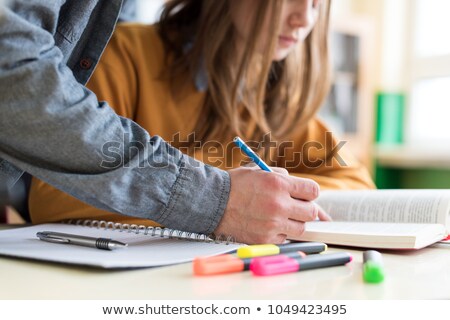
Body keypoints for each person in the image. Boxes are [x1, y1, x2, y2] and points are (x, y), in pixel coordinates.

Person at [28, 0, 375, 239]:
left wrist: (270, 198)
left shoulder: (268, 92)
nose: (303, 20)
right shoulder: (126, 54)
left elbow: (358, 184)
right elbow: (54, 194)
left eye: (317, 4)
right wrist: (221, 195)